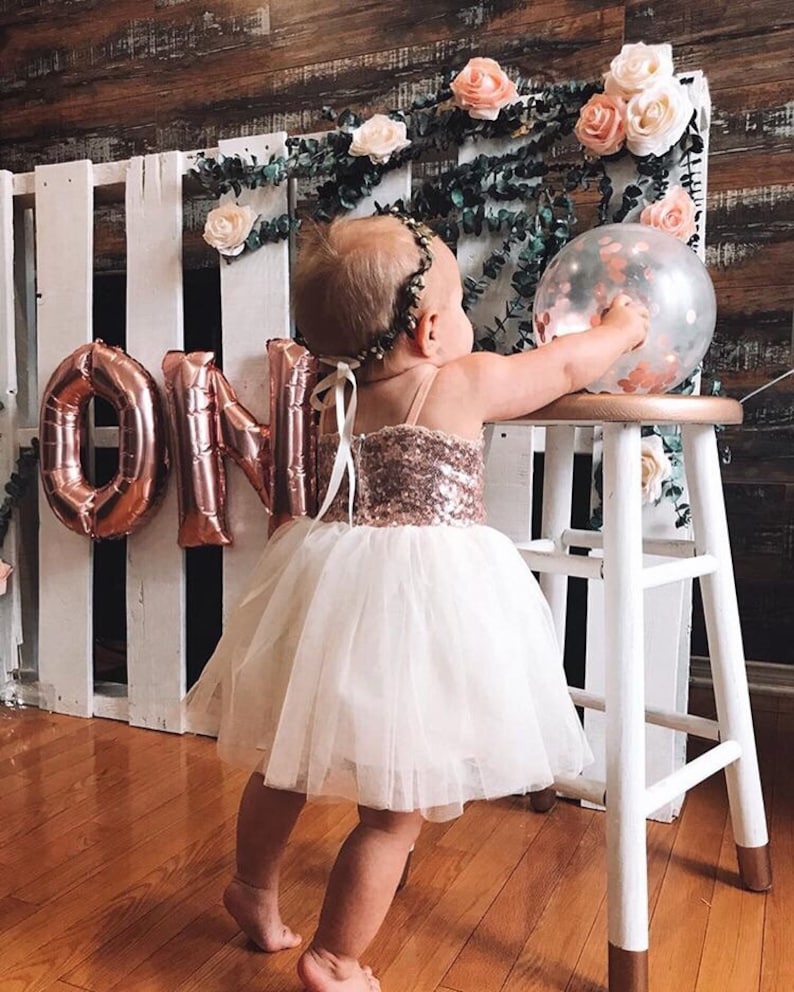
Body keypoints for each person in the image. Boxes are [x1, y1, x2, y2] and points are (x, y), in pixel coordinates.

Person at [184, 209, 649, 992]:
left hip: (331, 587)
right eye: (462, 307)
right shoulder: (460, 381)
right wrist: (622, 330)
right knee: (394, 813)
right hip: (422, 607)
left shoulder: (338, 393)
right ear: (431, 332)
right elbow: (564, 368)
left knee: (285, 763)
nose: (470, 324)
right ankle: (335, 958)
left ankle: (253, 890)